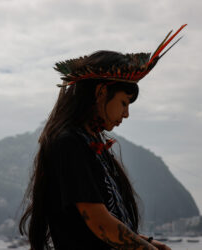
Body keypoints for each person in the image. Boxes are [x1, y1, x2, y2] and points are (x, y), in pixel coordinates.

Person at [19, 24, 187, 250]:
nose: (126, 114)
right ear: (100, 93)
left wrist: (149, 243)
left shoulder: (91, 145)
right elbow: (99, 223)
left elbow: (110, 220)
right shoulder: (68, 142)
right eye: (123, 103)